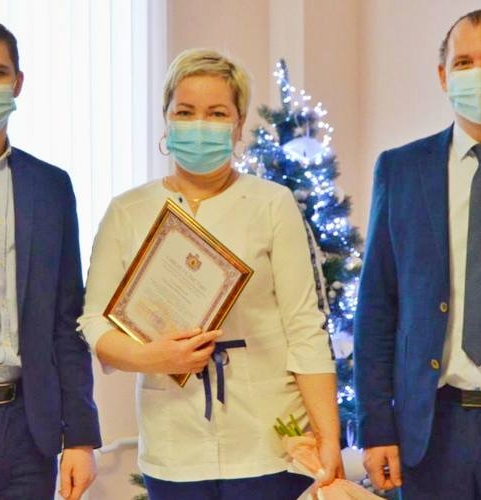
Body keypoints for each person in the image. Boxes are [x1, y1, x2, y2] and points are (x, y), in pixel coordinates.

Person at [79, 48, 344, 500]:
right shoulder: (128, 211)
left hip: (268, 438)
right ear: (166, 120)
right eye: (185, 112)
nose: (199, 125)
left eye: (217, 113)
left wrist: (328, 435)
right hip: (173, 440)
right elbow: (95, 322)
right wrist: (154, 357)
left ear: (238, 125)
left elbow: (305, 326)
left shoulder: (271, 204)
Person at [354, 9, 481, 500]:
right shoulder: (401, 170)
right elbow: (377, 308)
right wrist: (376, 427)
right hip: (433, 429)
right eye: (465, 63)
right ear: (443, 76)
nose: (480, 74)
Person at [0, 24, 101, 500]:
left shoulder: (50, 188)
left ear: (17, 83)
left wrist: (80, 437)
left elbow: (67, 322)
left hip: (28, 429)